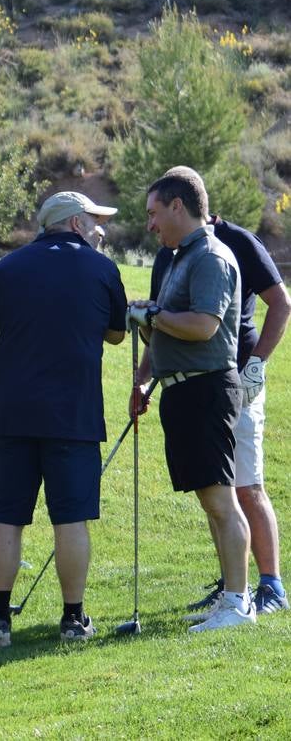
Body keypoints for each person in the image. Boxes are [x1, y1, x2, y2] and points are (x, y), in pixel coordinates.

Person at [0, 191, 127, 647]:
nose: (99, 228)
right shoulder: (102, 269)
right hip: (74, 416)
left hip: (14, 414)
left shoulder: (7, 268)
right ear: (74, 223)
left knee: (6, 516)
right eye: (93, 220)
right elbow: (118, 335)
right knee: (70, 519)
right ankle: (72, 619)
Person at [135, 167, 290, 617]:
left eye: (153, 212)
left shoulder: (224, 249)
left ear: (178, 205)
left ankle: (265, 589)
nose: (149, 224)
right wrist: (146, 376)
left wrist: (256, 365)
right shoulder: (175, 254)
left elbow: (218, 320)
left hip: (229, 381)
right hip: (191, 385)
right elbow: (164, 325)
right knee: (216, 493)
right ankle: (232, 589)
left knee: (243, 488)